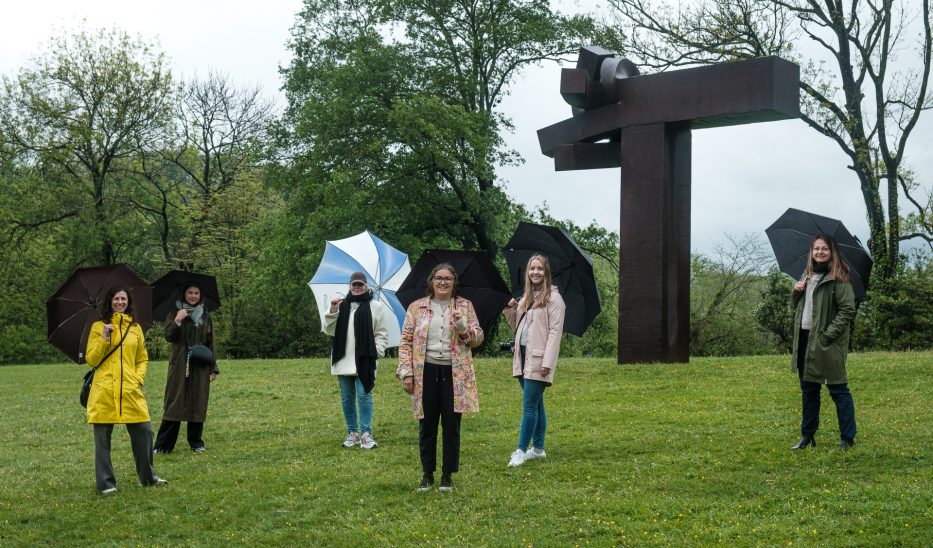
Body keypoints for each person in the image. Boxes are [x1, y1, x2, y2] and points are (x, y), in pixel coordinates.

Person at [397, 264, 483, 492]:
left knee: (451, 425)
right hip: (425, 372)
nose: (443, 282)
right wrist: (406, 372)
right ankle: (427, 474)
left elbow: (477, 339)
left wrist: (463, 327)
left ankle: (447, 475)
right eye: (438, 278)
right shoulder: (417, 308)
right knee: (427, 424)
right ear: (431, 281)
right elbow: (405, 341)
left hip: (455, 374)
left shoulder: (464, 306)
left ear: (454, 282)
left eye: (447, 278)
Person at [85, 286, 166, 494]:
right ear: (109, 301)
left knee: (145, 431)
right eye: (116, 299)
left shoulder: (136, 328)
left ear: (128, 302)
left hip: (130, 389)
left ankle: (148, 478)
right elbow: (91, 359)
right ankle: (106, 484)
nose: (120, 302)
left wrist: (137, 379)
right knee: (102, 441)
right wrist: (104, 337)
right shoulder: (97, 327)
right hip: (104, 390)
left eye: (123, 299)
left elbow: (142, 358)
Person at [790, 234, 858, 450]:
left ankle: (848, 438)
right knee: (809, 391)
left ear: (832, 252)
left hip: (826, 344)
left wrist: (827, 336)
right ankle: (807, 435)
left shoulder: (839, 278)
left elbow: (848, 310)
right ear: (811, 252)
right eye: (816, 249)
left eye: (824, 249)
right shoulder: (807, 276)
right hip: (804, 341)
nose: (819, 252)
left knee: (839, 391)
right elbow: (798, 308)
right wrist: (796, 292)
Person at [503, 254, 566, 467]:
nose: (535, 272)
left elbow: (556, 332)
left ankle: (520, 450)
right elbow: (517, 327)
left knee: (529, 405)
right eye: (532, 269)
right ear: (527, 273)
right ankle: (538, 449)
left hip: (539, 360)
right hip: (522, 356)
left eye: (539, 268)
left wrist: (548, 362)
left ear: (546, 272)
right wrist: (510, 308)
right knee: (537, 404)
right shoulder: (527, 297)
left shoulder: (554, 299)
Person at [323, 272, 390, 449]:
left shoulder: (375, 306)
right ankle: (352, 433)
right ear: (350, 286)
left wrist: (375, 351)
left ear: (366, 286)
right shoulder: (341, 305)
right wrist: (334, 309)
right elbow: (328, 330)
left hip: (365, 359)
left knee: (364, 394)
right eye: (354, 285)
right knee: (347, 397)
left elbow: (382, 334)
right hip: (343, 358)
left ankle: (366, 434)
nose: (357, 287)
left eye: (360, 285)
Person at [153, 282, 219, 454]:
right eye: (190, 292)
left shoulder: (205, 315)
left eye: (197, 293)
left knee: (198, 400)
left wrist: (213, 367)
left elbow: (210, 342)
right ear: (184, 294)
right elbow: (169, 336)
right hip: (180, 363)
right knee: (174, 401)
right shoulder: (175, 312)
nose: (193, 296)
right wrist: (178, 320)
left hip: (200, 363)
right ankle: (163, 445)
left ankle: (196, 442)